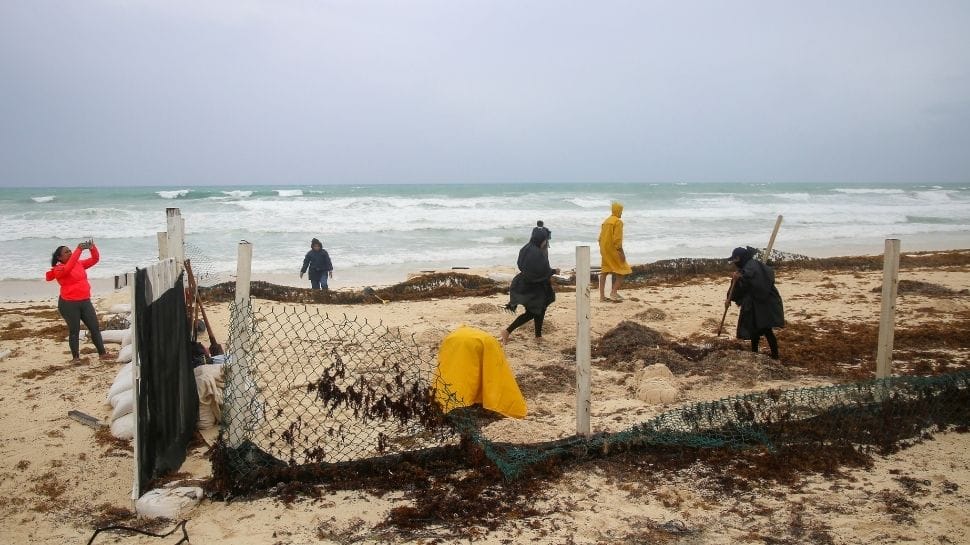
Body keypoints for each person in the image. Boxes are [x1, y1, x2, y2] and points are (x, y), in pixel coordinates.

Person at [45, 240, 112, 363]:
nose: (70, 253)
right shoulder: (58, 269)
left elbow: (95, 259)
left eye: (70, 250)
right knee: (74, 331)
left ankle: (102, 354)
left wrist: (92, 248)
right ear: (59, 257)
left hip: (85, 302)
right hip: (68, 304)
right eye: (66, 252)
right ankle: (75, 358)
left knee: (94, 328)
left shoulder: (79, 264)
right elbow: (68, 268)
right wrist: (79, 250)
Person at [726, 246, 785, 360]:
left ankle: (775, 357)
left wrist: (741, 277)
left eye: (735, 259)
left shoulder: (751, 266)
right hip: (757, 302)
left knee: (766, 329)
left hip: (765, 302)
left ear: (740, 257)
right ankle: (755, 354)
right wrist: (729, 296)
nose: (734, 262)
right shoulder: (747, 265)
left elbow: (753, 281)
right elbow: (743, 284)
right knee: (755, 329)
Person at [501, 228, 557, 345]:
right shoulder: (536, 253)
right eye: (545, 240)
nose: (546, 242)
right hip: (531, 286)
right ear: (540, 240)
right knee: (533, 311)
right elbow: (541, 270)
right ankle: (507, 331)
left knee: (540, 309)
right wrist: (554, 271)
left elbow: (521, 265)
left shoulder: (526, 248)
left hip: (526, 283)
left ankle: (538, 336)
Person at [598, 201, 632, 301]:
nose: (621, 213)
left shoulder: (606, 221)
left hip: (604, 250)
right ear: (618, 210)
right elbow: (617, 239)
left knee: (604, 272)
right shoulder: (617, 222)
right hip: (614, 250)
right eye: (621, 211)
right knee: (622, 271)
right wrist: (621, 252)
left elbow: (600, 238)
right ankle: (613, 292)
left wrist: (603, 248)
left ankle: (602, 297)